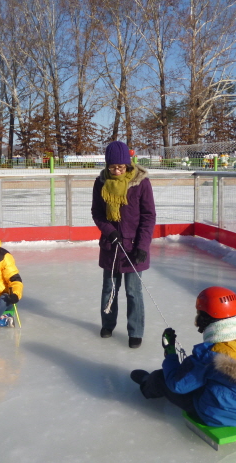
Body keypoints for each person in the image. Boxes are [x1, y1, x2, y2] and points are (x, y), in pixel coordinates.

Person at [130, 287, 236, 427]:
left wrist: (170, 353)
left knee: (161, 377)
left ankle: (146, 386)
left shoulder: (211, 353)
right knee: (210, 378)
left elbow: (177, 385)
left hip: (214, 415)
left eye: (199, 314)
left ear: (207, 317)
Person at [91, 141, 156, 348]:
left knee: (133, 291)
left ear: (128, 165)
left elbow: (148, 216)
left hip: (134, 247)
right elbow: (98, 213)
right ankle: (108, 324)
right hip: (111, 246)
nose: (117, 171)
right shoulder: (101, 183)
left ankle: (135, 331)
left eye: (121, 167)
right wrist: (110, 232)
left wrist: (142, 247)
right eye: (112, 167)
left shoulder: (141, 183)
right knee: (109, 289)